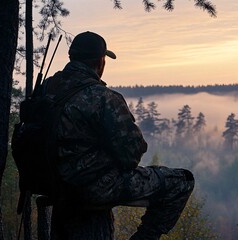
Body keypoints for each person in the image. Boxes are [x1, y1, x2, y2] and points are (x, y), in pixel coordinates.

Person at [43, 31, 194, 240]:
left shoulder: (47, 88)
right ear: (100, 61)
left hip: (52, 184)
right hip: (92, 189)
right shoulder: (103, 97)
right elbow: (132, 154)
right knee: (181, 181)